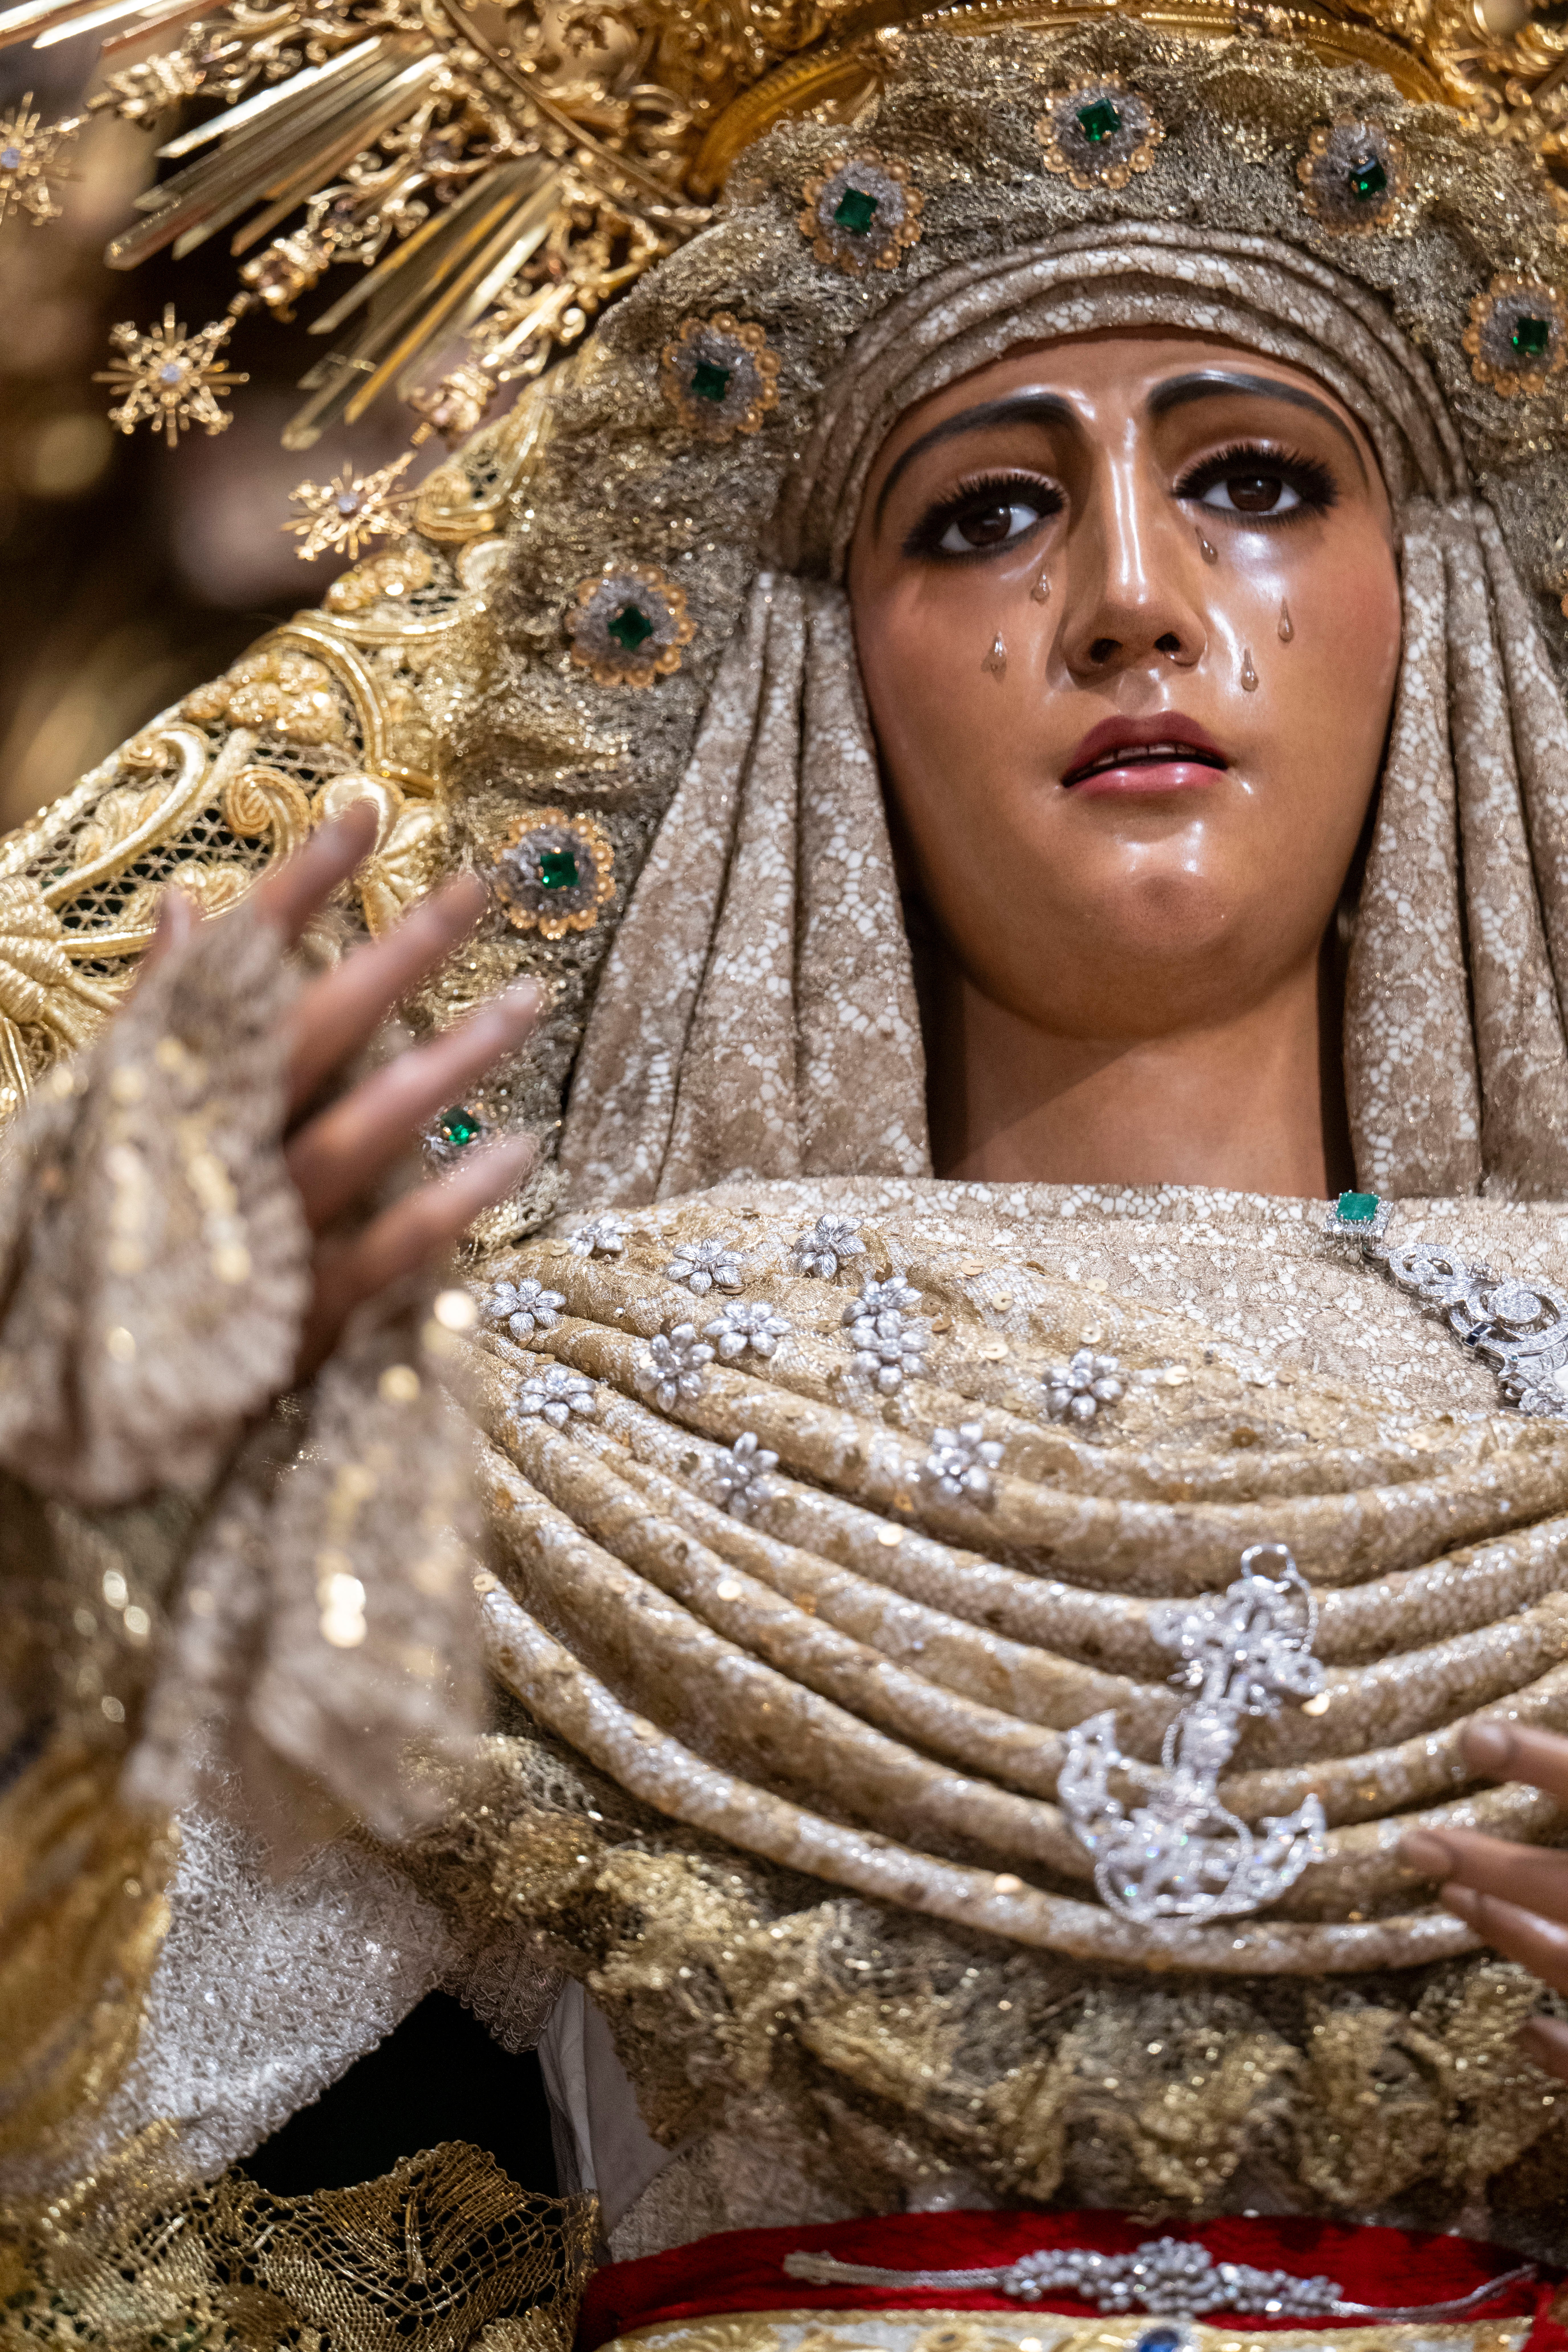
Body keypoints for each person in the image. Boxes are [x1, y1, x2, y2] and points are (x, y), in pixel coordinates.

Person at [7, 7, 1568, 2345]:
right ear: (811, 669)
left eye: (1253, 475)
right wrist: (77, 1542)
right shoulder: (552, 1419)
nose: (1133, 596)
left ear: (1438, 601)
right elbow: (53, 2129)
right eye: (988, 511)